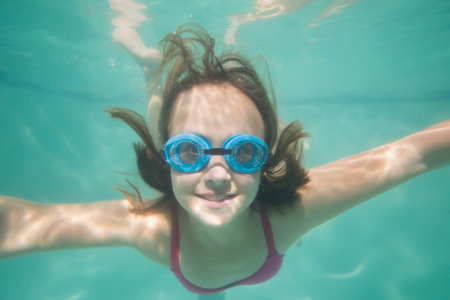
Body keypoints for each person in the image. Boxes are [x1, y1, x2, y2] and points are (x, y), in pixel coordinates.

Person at [0, 23, 449, 297]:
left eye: (244, 151)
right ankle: (152, 74)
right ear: (168, 161)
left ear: (262, 158)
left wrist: (198, 150)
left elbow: (413, 156)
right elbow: (19, 224)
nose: (217, 175)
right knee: (161, 113)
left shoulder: (292, 211)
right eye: (190, 153)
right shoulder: (151, 227)